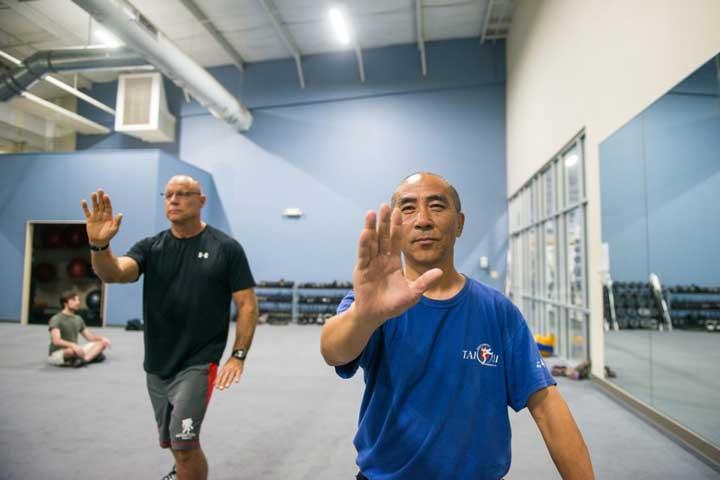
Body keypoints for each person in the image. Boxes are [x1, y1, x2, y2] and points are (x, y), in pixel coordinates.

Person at [320, 172, 595, 480]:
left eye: (437, 206)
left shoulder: (497, 310)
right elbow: (333, 351)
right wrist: (365, 316)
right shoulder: (373, 301)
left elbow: (546, 406)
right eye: (408, 208)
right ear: (395, 226)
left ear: (459, 223)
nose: (423, 219)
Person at [81, 175, 258, 480]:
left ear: (201, 201)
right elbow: (115, 273)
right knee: (173, 443)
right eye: (168, 195)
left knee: (186, 443)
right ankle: (182, 471)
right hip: (158, 362)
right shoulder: (151, 247)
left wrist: (238, 355)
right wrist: (100, 247)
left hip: (199, 362)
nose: (173, 200)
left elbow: (247, 305)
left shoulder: (226, 248)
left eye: (182, 194)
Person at [47, 289, 111, 367]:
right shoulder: (56, 319)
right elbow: (56, 341)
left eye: (78, 300)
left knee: (102, 344)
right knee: (71, 351)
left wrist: (102, 338)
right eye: (74, 300)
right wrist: (73, 345)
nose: (78, 302)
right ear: (65, 303)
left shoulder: (78, 319)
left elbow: (90, 337)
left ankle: (84, 360)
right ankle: (90, 356)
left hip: (76, 349)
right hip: (58, 353)